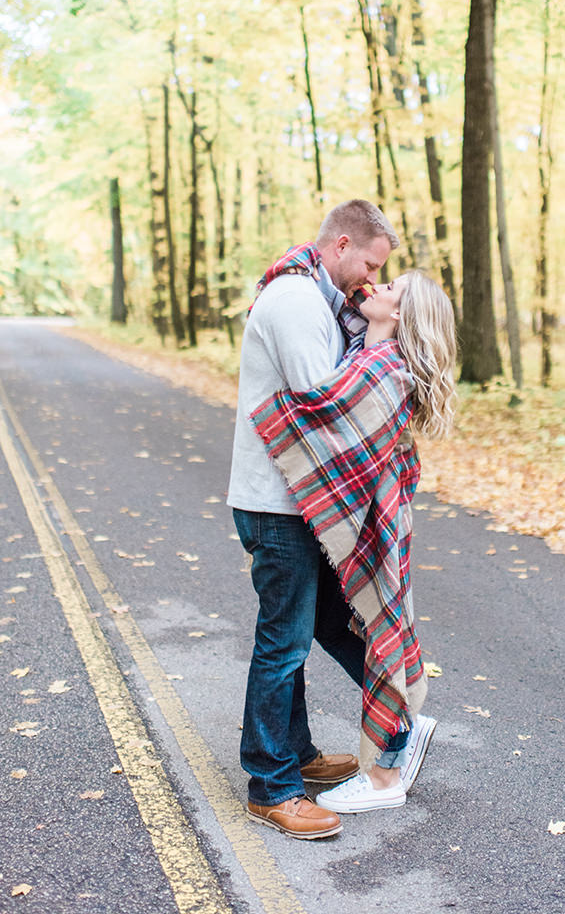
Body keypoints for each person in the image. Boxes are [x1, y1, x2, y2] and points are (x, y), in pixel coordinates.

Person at [251, 270, 456, 816]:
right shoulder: (374, 355)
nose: (379, 286)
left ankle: (391, 753)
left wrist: (278, 409)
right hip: (368, 520)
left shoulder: (382, 367)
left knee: (362, 629)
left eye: (392, 288)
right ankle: (400, 725)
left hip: (373, 524)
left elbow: (322, 415)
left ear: (398, 315)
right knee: (332, 625)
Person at [228, 199, 400, 840]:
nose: (372, 280)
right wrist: (379, 341)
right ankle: (272, 785)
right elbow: (323, 401)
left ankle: (294, 753)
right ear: (342, 244)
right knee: (284, 640)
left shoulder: (319, 298)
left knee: (317, 623)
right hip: (278, 501)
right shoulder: (298, 300)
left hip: (296, 498)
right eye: (371, 264)